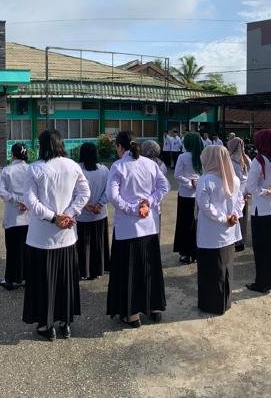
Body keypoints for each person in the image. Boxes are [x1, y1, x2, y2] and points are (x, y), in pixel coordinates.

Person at [21, 129, 90, 341]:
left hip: (41, 237)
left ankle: (46, 325)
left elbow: (30, 201)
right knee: (65, 280)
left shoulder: (35, 169)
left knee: (43, 281)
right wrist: (69, 214)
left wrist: (53, 217)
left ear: (42, 146)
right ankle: (65, 323)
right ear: (61, 144)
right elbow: (85, 193)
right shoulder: (72, 166)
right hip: (66, 235)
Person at [106, 131, 170, 329]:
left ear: (120, 146)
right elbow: (164, 186)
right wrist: (148, 202)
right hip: (149, 226)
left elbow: (112, 196)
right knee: (150, 267)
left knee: (129, 271)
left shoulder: (118, 166)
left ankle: (132, 314)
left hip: (128, 228)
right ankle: (154, 307)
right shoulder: (150, 164)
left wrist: (132, 208)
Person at [196, 145, 244, 315]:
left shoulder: (206, 180)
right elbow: (240, 200)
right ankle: (225, 301)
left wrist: (224, 218)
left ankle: (211, 304)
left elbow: (205, 206)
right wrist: (234, 216)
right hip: (229, 229)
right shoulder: (234, 179)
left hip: (211, 231)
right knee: (225, 266)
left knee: (211, 268)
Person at [245, 128, 271, 294]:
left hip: (262, 210)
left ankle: (262, 282)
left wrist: (268, 191)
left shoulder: (259, 160)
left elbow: (250, 187)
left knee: (262, 248)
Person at [0, 142, 32, 290]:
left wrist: (16, 200)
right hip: (30, 215)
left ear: (12, 154)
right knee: (28, 248)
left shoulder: (7, 170)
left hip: (13, 215)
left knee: (12, 248)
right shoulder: (31, 169)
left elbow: (0, 191)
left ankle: (11, 279)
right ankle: (27, 277)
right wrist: (26, 202)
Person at [76, 142, 110, 280]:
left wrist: (85, 205)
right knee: (98, 242)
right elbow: (109, 190)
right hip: (99, 213)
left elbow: (74, 192)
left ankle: (84, 270)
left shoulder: (77, 169)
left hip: (82, 214)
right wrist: (99, 204)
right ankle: (98, 269)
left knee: (83, 243)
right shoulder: (104, 169)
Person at [173, 132, 206, 264]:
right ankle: (196, 251)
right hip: (199, 194)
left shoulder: (183, 157)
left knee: (185, 223)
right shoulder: (203, 156)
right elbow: (205, 174)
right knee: (197, 223)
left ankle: (186, 252)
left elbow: (177, 174)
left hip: (186, 195)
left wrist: (190, 183)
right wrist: (197, 183)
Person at [227, 137, 252, 253]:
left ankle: (235, 240)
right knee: (243, 217)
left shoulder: (229, 160)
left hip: (234, 193)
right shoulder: (246, 158)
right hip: (244, 192)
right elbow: (250, 176)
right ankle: (241, 242)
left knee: (234, 216)